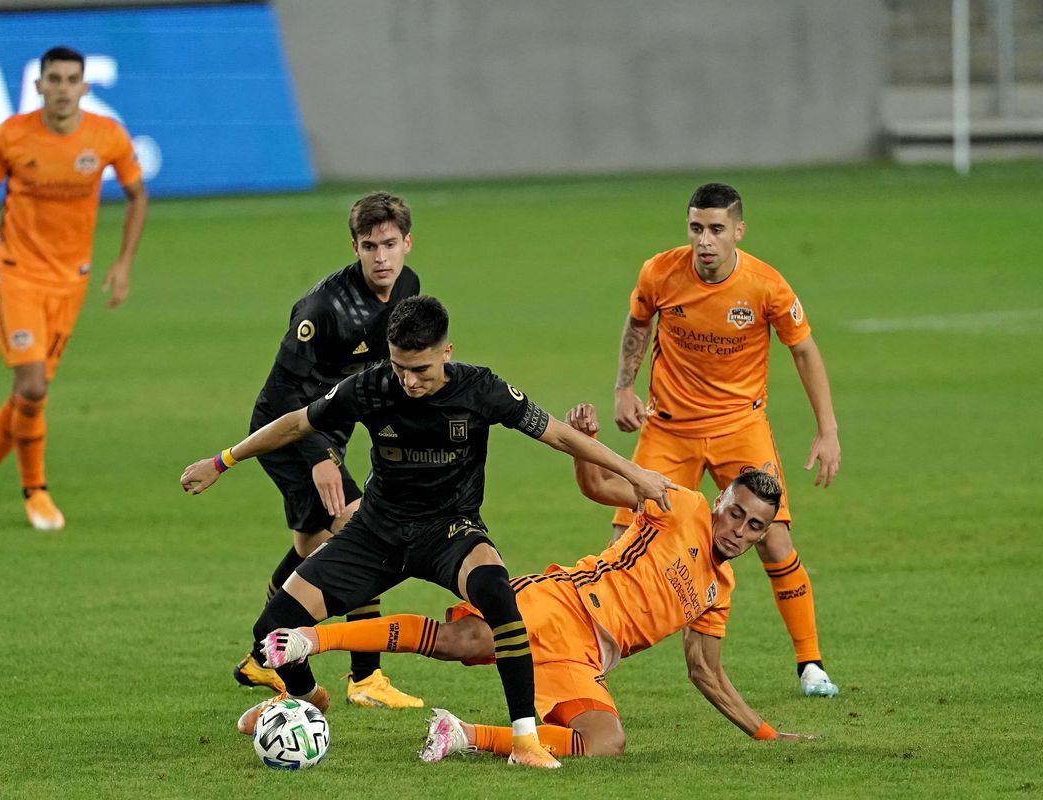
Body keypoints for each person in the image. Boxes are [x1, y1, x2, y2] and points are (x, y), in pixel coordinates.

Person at [181, 297, 677, 769]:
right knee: (272, 630)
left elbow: (558, 434)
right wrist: (222, 461)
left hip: (450, 531)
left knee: (498, 597)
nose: (409, 380)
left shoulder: (480, 389)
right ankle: (307, 700)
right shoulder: (372, 386)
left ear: (447, 352)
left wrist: (637, 476)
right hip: (376, 532)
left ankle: (525, 739)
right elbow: (295, 423)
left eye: (420, 369)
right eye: (400, 367)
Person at [258, 404, 816, 763]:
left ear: (766, 532)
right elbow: (598, 485)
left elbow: (706, 672)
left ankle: (464, 735)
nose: (739, 530)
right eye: (735, 514)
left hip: (587, 659)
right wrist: (588, 440)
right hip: (566, 603)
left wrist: (766, 734)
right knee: (464, 643)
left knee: (605, 744)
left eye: (754, 526)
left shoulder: (719, 591)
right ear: (721, 501)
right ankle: (311, 639)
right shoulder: (682, 504)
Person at [611, 183, 840, 696]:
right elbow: (637, 321)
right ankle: (594, 660)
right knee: (626, 542)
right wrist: (624, 388)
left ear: (738, 230)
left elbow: (804, 350)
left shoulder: (765, 286)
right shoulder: (660, 273)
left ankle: (810, 664)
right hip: (669, 428)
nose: (705, 241)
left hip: (740, 427)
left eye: (716, 230)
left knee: (775, 539)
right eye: (696, 228)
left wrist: (827, 429)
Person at [233, 191, 422, 709]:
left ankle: (260, 656)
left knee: (310, 546)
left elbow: (387, 369)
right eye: (369, 246)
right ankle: (366, 677)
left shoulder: (407, 288)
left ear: (408, 243)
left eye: (389, 244)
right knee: (364, 534)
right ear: (354, 247)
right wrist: (319, 456)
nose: (381, 257)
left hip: (329, 431)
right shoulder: (323, 309)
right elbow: (281, 395)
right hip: (286, 434)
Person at [0, 46, 148, 531]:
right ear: (38, 86)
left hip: (71, 282)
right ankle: (34, 490)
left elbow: (136, 194)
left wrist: (123, 263)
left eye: (71, 80)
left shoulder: (106, 137)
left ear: (85, 87)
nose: (62, 89)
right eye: (53, 79)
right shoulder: (13, 135)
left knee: (30, 393)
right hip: (16, 273)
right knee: (33, 385)